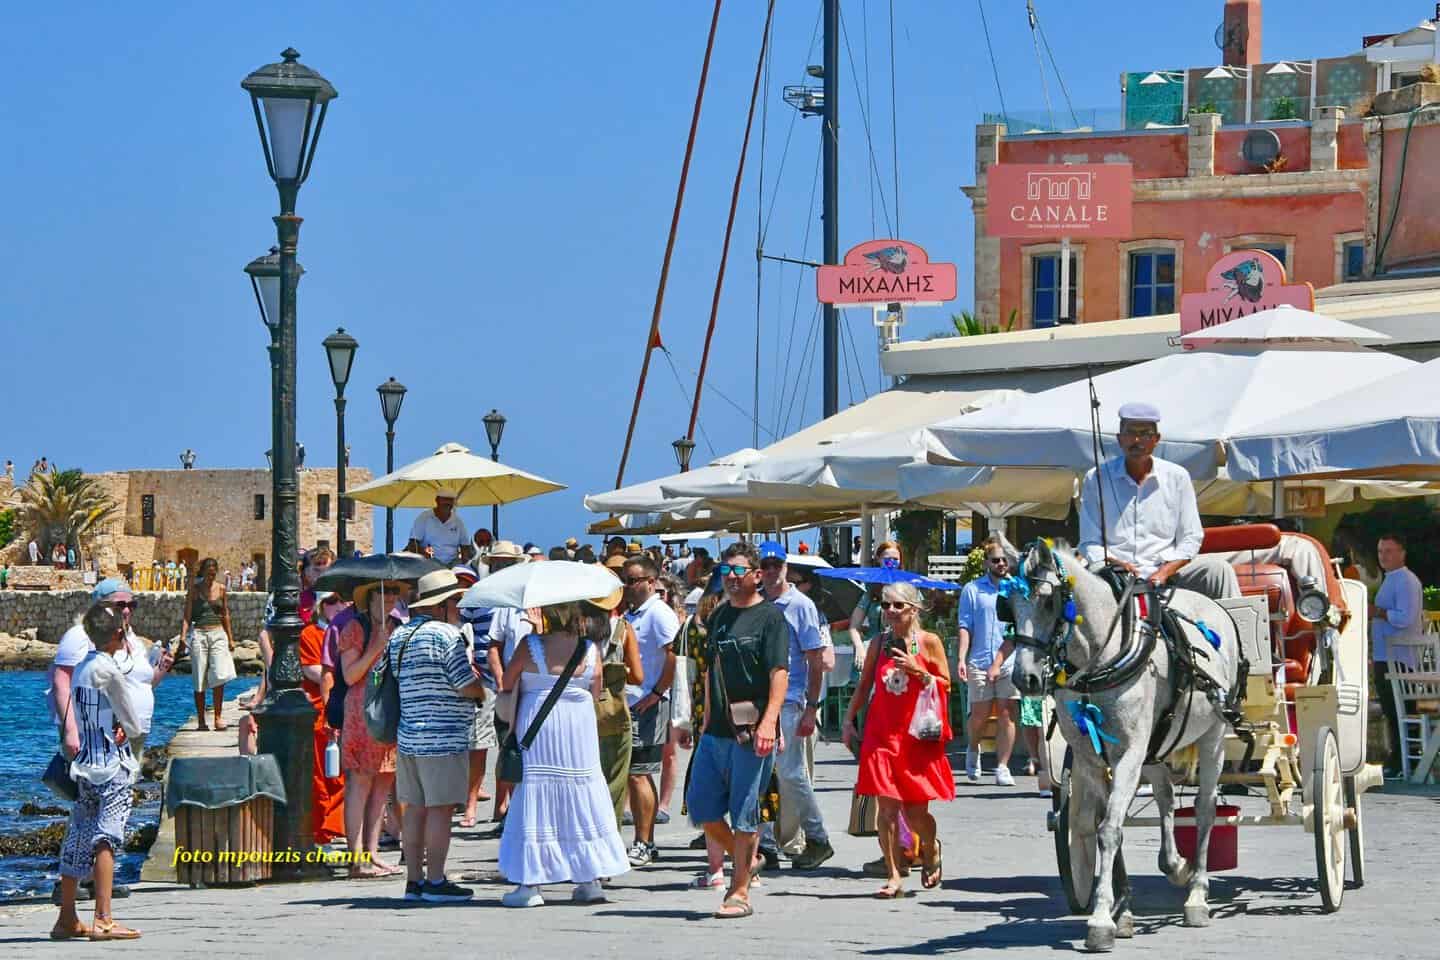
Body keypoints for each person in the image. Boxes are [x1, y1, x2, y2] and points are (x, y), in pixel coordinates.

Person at [498, 594, 632, 907]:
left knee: (535, 792)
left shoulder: (531, 646)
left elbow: (506, 681)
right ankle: (589, 879)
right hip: (578, 725)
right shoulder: (590, 648)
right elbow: (595, 690)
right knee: (583, 792)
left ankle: (530, 883)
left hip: (540, 725)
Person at [685, 542, 789, 919]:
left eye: (738, 571)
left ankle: (739, 890)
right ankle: (748, 859)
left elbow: (780, 673)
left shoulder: (770, 618)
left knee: (745, 813)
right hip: (715, 732)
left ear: (757, 576)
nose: (730, 578)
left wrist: (769, 722)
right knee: (701, 807)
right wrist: (700, 725)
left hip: (751, 731)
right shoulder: (720, 617)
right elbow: (712, 673)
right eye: (725, 571)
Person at [843, 582, 954, 898]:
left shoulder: (928, 642)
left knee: (916, 814)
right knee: (887, 811)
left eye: (897, 606)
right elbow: (864, 687)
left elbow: (945, 684)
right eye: (886, 605)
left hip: (915, 738)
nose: (889, 611)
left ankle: (930, 848)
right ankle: (893, 875)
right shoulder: (878, 643)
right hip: (881, 736)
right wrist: (849, 721)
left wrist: (919, 671)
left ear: (913, 610)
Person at [387, 569, 488, 902]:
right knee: (441, 810)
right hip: (442, 736)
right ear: (443, 604)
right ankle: (435, 881)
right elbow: (463, 684)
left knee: (414, 809)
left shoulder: (399, 635)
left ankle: (413, 881)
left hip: (409, 736)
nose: (459, 607)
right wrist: (481, 691)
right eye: (456, 600)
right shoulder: (446, 635)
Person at [1078, 402, 1239, 599]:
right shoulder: (1096, 478)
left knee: (1219, 571)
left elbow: (1191, 537)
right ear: (1120, 439)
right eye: (1130, 433)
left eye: (1145, 433)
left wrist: (1165, 572)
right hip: (1114, 573)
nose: (1137, 440)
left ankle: (1240, 629)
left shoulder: (1177, 477)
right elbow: (1089, 542)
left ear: (1156, 440)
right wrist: (1112, 564)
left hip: (1166, 571)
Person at [52, 604, 146, 941]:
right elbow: (133, 724)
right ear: (117, 634)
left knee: (78, 837)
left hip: (84, 765)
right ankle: (104, 918)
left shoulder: (80, 669)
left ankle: (67, 918)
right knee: (106, 837)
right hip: (111, 766)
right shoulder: (109, 671)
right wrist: (123, 727)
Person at [756, 542, 834, 870]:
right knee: (760, 776)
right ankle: (766, 844)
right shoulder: (756, 602)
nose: (772, 570)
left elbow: (816, 660)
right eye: (767, 564)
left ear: (786, 567)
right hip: (758, 701)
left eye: (777, 564)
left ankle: (817, 837)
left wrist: (811, 707)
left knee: (791, 774)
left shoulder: (800, 605)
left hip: (790, 700)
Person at [338, 580, 406, 878]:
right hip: (362, 711)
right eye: (384, 591)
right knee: (360, 783)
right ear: (369, 597)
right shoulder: (355, 628)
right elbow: (350, 675)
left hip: (389, 710)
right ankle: (355, 858)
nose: (390, 597)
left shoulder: (399, 627)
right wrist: (375, 648)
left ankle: (372, 852)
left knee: (382, 786)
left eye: (394, 592)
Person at [467, 540, 531, 832]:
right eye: (497, 562)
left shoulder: (523, 601)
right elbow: (493, 644)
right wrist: (503, 678)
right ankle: (502, 809)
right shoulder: (486, 597)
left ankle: (512, 809)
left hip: (532, 688)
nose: (501, 567)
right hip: (497, 683)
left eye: (507, 562)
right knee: (506, 747)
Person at [621, 556, 679, 867]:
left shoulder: (658, 614)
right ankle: (644, 840)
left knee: (640, 773)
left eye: (633, 580)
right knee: (633, 774)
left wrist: (657, 692)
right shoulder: (633, 614)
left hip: (648, 702)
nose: (628, 586)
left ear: (651, 582)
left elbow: (674, 653)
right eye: (625, 580)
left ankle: (645, 841)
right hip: (631, 701)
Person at [956, 536, 1019, 786]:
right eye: (996, 560)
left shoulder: (1016, 588)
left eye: (1004, 560)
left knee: (1007, 712)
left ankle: (1002, 766)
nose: (1001, 564)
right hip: (980, 659)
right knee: (980, 715)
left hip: (1010, 659)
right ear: (986, 563)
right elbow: (965, 626)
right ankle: (973, 748)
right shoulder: (972, 590)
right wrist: (961, 658)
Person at [1371, 533, 1423, 778]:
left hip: (1400, 659)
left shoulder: (1405, 580)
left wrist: (1377, 612)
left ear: (1402, 553)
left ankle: (1404, 762)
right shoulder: (1392, 579)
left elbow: (1405, 618)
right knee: (1392, 711)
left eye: (1389, 551)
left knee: (1399, 711)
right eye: (1381, 551)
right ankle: (1399, 760)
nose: (1384, 556)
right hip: (1386, 656)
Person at [596, 576, 643, 830]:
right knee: (614, 780)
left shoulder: (578, 628)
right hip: (613, 713)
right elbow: (638, 676)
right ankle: (609, 835)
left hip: (582, 712)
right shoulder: (623, 630)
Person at [299, 592, 347, 844]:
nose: (338, 606)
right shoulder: (310, 634)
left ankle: (339, 826)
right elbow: (313, 670)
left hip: (345, 709)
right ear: (320, 606)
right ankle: (325, 829)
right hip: (320, 712)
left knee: (343, 773)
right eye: (331, 601)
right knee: (323, 774)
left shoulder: (347, 630)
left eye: (341, 600)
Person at [175, 558, 235, 731]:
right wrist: (183, 637)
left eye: (213, 573)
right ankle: (201, 721)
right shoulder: (194, 591)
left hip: (217, 633)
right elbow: (187, 616)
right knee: (199, 677)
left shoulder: (222, 589)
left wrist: (230, 638)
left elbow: (225, 614)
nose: (210, 576)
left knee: (219, 675)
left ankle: (217, 717)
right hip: (199, 633)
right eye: (208, 573)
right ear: (203, 572)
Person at [405, 490, 472, 564]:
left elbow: (465, 547)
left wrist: (466, 565)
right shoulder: (424, 517)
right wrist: (423, 551)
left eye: (450, 500)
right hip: (429, 563)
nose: (448, 503)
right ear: (437, 500)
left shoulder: (458, 522)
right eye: (445, 499)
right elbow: (412, 544)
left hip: (453, 564)